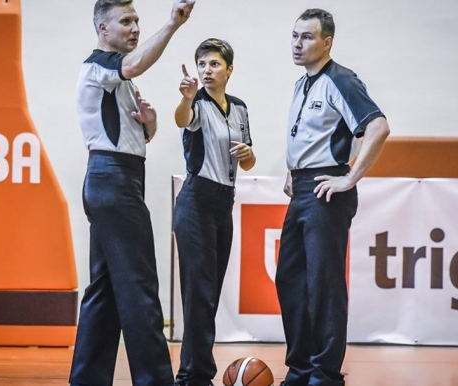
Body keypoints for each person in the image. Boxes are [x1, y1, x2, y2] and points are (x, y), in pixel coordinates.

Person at [69, 1, 196, 386]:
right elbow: (135, 64)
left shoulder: (117, 79)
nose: (135, 28)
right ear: (103, 29)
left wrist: (150, 125)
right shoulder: (99, 65)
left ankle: (88, 379)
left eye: (137, 20)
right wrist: (172, 25)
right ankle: (156, 380)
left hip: (113, 179)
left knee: (105, 289)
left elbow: (131, 139)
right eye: (126, 21)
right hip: (114, 183)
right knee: (140, 286)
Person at [276, 9, 390, 386]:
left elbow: (378, 126)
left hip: (328, 189)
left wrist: (350, 178)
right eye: (294, 36)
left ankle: (324, 374)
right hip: (303, 188)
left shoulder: (340, 79)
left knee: (323, 284)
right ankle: (302, 366)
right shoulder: (301, 83)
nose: (297, 43)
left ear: (327, 42)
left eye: (306, 37)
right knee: (289, 278)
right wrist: (293, 171)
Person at [172, 38, 256, 386]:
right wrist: (186, 96)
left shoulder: (239, 108)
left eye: (214, 64)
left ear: (229, 70)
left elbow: (250, 161)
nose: (207, 70)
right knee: (200, 295)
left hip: (225, 203)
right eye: (202, 63)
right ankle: (193, 376)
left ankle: (196, 372)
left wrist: (247, 154)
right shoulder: (196, 104)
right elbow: (181, 119)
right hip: (196, 202)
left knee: (209, 294)